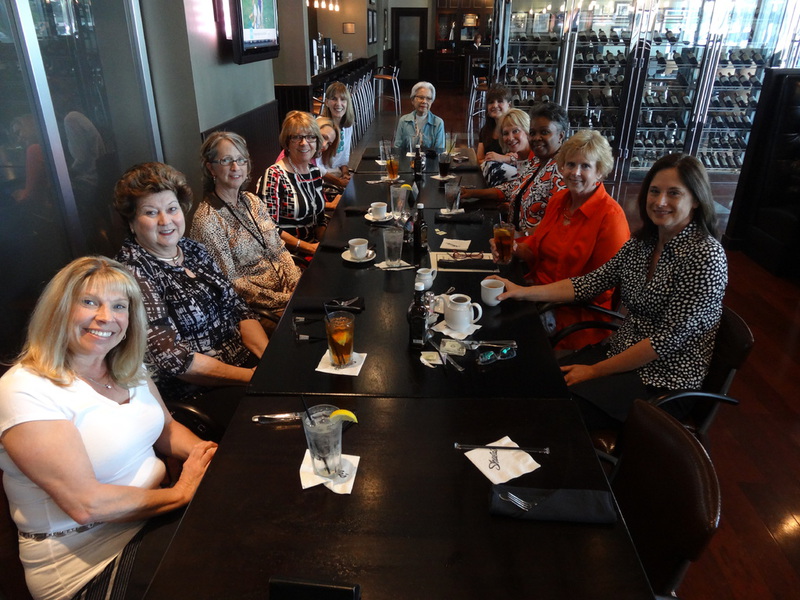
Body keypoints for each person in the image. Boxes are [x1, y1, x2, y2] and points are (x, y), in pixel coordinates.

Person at [0, 256, 216, 600]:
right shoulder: (25, 388)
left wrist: (209, 456)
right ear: (58, 309)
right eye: (89, 302)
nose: (106, 317)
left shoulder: (127, 367)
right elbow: (86, 505)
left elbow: (167, 430)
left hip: (153, 521)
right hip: (89, 562)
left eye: (119, 306)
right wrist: (181, 492)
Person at [487, 153, 728, 429]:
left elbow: (664, 342)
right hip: (619, 354)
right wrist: (520, 291)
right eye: (654, 191)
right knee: (531, 382)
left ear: (696, 200)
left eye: (674, 193)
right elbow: (589, 283)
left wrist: (593, 371)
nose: (660, 201)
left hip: (663, 382)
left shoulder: (705, 256)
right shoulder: (644, 243)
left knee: (552, 413)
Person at [114, 162, 268, 428]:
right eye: (151, 212)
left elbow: (238, 308)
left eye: (172, 209)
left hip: (245, 366)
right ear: (131, 222)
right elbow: (176, 361)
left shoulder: (193, 249)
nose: (165, 221)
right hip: (199, 393)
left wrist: (268, 360)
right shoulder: (133, 273)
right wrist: (251, 377)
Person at [493, 130, 630, 348]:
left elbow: (599, 289)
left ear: (600, 172)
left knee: (501, 333)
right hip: (536, 294)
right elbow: (538, 247)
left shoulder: (611, 218)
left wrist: (528, 294)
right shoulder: (559, 201)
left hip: (572, 316)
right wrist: (513, 247)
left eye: (585, 166)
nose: (575, 172)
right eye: (570, 164)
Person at [191, 131, 302, 329]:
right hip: (257, 310)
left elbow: (278, 249)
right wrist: (285, 299)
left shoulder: (252, 201)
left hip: (288, 292)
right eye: (226, 160)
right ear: (211, 168)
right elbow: (231, 283)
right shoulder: (208, 220)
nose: (236, 167)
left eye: (241, 159)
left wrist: (296, 284)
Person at [462, 102, 568, 232]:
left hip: (530, 243)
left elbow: (561, 222)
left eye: (544, 132)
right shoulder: (537, 161)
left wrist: (521, 236)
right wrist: (472, 193)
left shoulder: (564, 170)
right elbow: (513, 187)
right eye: (533, 133)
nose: (536, 138)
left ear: (560, 136)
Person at [257, 111, 334, 256]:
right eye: (297, 137)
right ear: (287, 142)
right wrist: (308, 248)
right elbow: (268, 229)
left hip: (313, 249)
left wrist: (325, 243)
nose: (304, 143)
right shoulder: (275, 175)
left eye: (310, 137)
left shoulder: (314, 172)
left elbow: (320, 219)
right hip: (289, 255)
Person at [480, 108, 533, 187]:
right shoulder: (519, 157)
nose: (510, 138)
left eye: (515, 131)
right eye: (505, 133)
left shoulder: (539, 159)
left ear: (527, 130)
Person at [393, 81, 446, 154]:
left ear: (432, 102)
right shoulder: (403, 121)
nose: (424, 101)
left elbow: (439, 152)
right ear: (412, 100)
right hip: (407, 160)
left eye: (428, 98)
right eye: (421, 97)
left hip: (430, 161)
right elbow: (397, 149)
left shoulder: (438, 123)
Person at [319, 81, 354, 189]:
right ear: (327, 102)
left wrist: (345, 173)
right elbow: (315, 166)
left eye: (343, 99)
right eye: (334, 99)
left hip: (337, 175)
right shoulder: (320, 126)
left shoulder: (348, 126)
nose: (338, 104)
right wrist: (339, 182)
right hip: (321, 179)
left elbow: (344, 157)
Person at [476, 84, 512, 163]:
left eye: (500, 101)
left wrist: (500, 158)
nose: (495, 105)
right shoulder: (485, 130)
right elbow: (479, 159)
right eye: (491, 102)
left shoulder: (515, 129)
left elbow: (522, 158)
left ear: (509, 105)